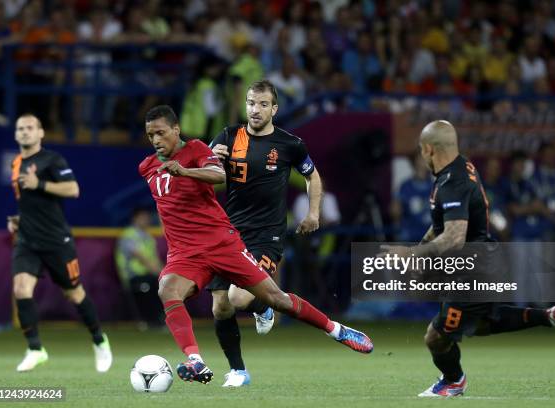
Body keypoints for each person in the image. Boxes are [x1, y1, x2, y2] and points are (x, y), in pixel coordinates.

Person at [139, 105, 372, 385]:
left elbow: (220, 175)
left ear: (176, 130)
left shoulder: (197, 150)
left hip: (222, 245)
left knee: (276, 299)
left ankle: (335, 329)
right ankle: (196, 360)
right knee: (170, 290)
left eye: (161, 133)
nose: (155, 140)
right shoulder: (147, 167)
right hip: (185, 254)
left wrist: (185, 172)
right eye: (150, 134)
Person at [381, 120, 555, 398]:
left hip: (471, 270)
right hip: (484, 260)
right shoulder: (460, 167)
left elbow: (454, 237)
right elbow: (444, 223)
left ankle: (453, 381)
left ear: (429, 149)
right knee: (481, 324)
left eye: (423, 151)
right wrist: (421, 249)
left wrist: (410, 254)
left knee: (436, 337)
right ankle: (551, 315)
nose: (422, 157)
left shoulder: (452, 184)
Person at [208, 80, 323, 387]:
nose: (254, 110)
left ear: (274, 109)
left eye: (261, 104)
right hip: (228, 234)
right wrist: (212, 161)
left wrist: (313, 213)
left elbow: (313, 177)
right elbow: (206, 178)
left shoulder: (290, 144)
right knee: (221, 305)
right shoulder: (229, 136)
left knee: (239, 297)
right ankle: (238, 371)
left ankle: (264, 305)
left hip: (266, 235)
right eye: (250, 103)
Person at [8, 114, 112, 372]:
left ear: (41, 132)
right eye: (20, 129)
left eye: (30, 128)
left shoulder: (53, 160)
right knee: (21, 289)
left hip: (56, 241)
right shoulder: (16, 163)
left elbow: (73, 190)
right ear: (15, 134)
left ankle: (99, 340)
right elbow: (31, 203)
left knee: (74, 294)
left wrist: (39, 183)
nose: (25, 132)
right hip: (27, 240)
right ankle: (35, 349)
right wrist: (19, 221)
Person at [115, 207, 164, 328]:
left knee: (168, 284)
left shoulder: (148, 236)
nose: (146, 220)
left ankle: (165, 320)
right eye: (143, 217)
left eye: (147, 217)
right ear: (135, 218)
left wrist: (167, 275)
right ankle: (152, 321)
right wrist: (162, 275)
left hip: (149, 275)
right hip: (133, 277)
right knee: (153, 285)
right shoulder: (129, 235)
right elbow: (142, 259)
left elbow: (154, 259)